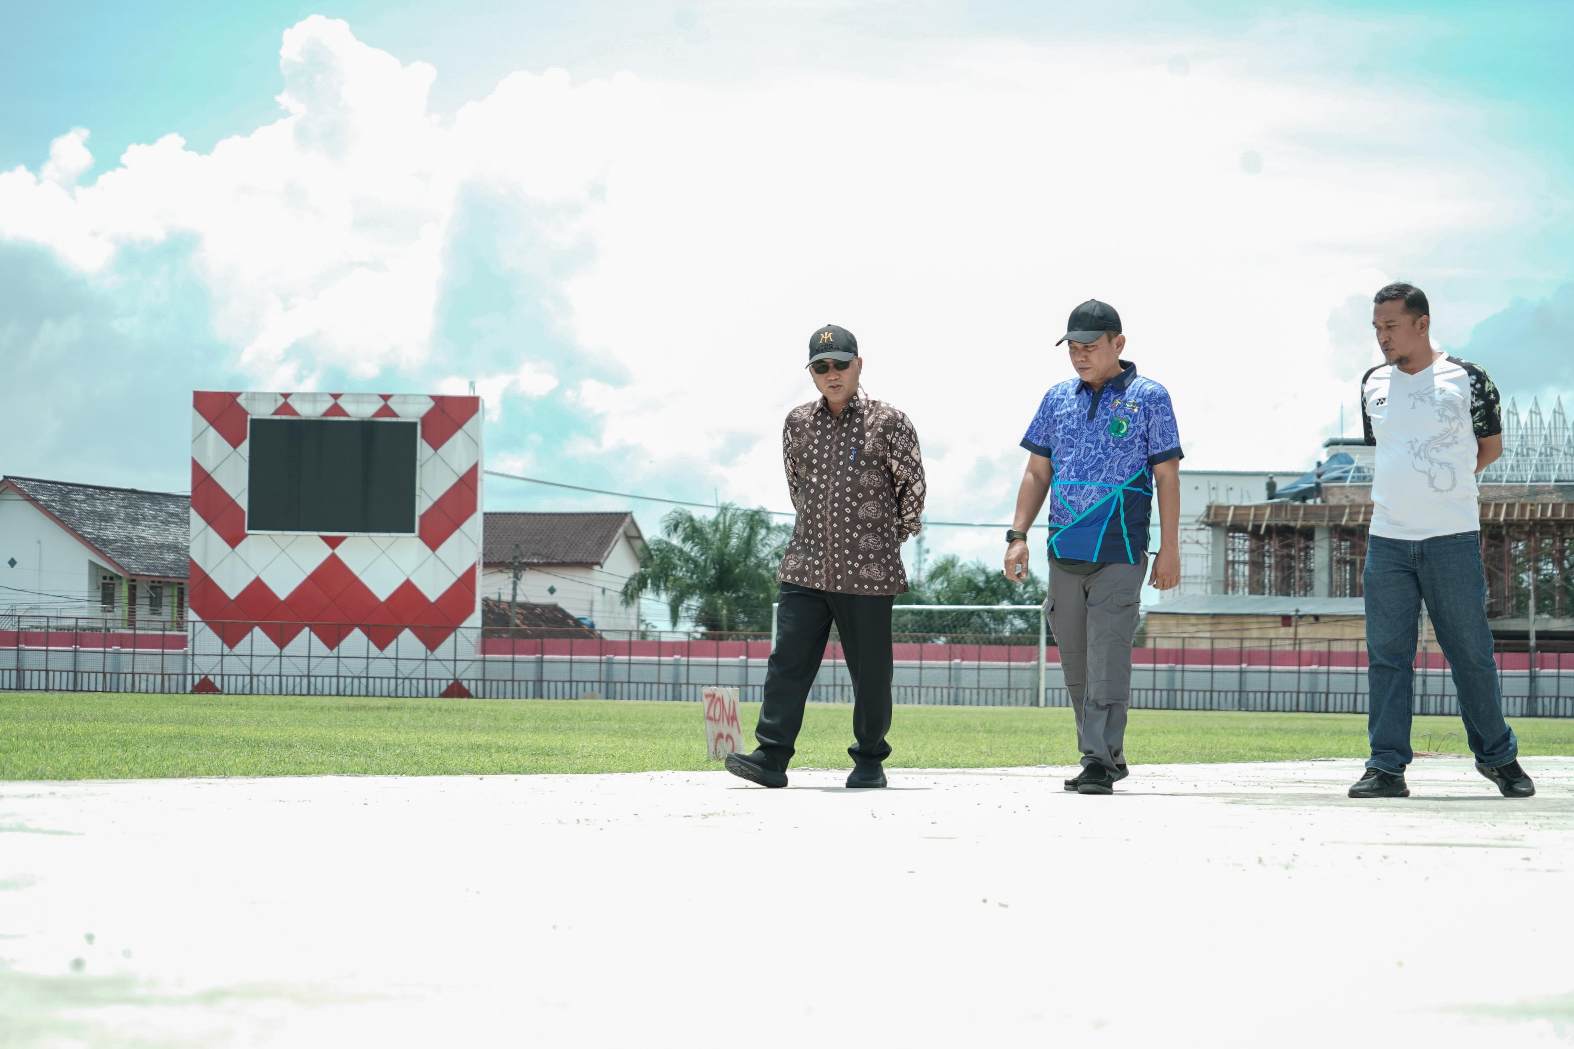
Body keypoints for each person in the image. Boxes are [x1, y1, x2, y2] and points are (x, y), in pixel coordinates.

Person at [1350, 282, 1535, 799]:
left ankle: (1499, 758)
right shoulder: (1372, 382)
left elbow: (1490, 448)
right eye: (1377, 328)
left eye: (1390, 327)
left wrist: (1447, 486)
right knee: (1388, 657)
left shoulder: (1469, 379)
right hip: (1386, 541)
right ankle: (1386, 767)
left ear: (1421, 323)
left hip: (1451, 539)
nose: (1382, 338)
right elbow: (1389, 450)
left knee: (1470, 654)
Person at [725, 324, 926, 789]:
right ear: (812, 373)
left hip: (869, 571)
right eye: (822, 367)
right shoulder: (797, 423)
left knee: (871, 674)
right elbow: (797, 487)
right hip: (807, 564)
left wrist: (882, 538)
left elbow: (911, 490)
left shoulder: (889, 421)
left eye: (840, 364)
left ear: (858, 364)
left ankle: (870, 761)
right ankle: (771, 757)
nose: (832, 374)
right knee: (787, 663)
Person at [1004, 299, 1181, 795]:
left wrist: (1169, 549)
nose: (1080, 356)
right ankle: (1101, 755)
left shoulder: (1150, 397)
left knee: (1108, 654)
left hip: (1120, 548)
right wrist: (1017, 536)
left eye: (1090, 347)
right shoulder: (1056, 399)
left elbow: (1167, 475)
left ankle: (1100, 759)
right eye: (1074, 348)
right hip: (1064, 548)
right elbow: (1038, 471)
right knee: (1077, 659)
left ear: (1118, 344)